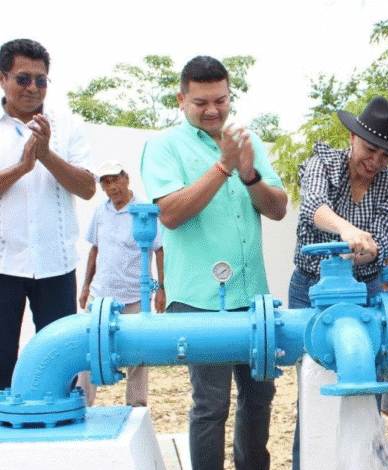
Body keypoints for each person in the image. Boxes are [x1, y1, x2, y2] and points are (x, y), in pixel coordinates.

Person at [140, 56, 287, 470]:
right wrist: (224, 166)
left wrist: (249, 174)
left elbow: (278, 209)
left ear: (230, 96)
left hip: (253, 296)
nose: (212, 110)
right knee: (211, 404)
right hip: (198, 299)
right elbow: (170, 214)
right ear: (181, 99)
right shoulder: (164, 146)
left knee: (260, 397)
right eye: (200, 102)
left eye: (220, 100)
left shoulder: (247, 140)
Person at [288, 95, 388, 470]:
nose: (375, 161)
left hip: (364, 291)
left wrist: (365, 252)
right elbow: (313, 207)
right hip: (310, 289)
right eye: (369, 149)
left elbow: (380, 244)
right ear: (352, 137)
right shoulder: (323, 162)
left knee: (364, 381)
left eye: (385, 155)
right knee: (313, 389)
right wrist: (347, 231)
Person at [0, 39, 96, 390]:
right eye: (23, 79)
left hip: (56, 265)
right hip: (3, 265)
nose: (33, 88)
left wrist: (46, 155)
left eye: (41, 80)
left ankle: (60, 424)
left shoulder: (67, 125)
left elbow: (87, 188)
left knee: (60, 364)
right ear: (2, 78)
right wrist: (22, 167)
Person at [74, 160, 165, 406]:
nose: (112, 186)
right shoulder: (100, 211)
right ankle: (82, 405)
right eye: (106, 182)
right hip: (101, 294)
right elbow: (94, 249)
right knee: (89, 349)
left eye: (115, 180)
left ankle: (137, 406)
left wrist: (161, 288)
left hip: (135, 295)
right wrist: (85, 286)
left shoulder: (144, 211)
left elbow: (159, 249)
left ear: (126, 179)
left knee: (138, 353)